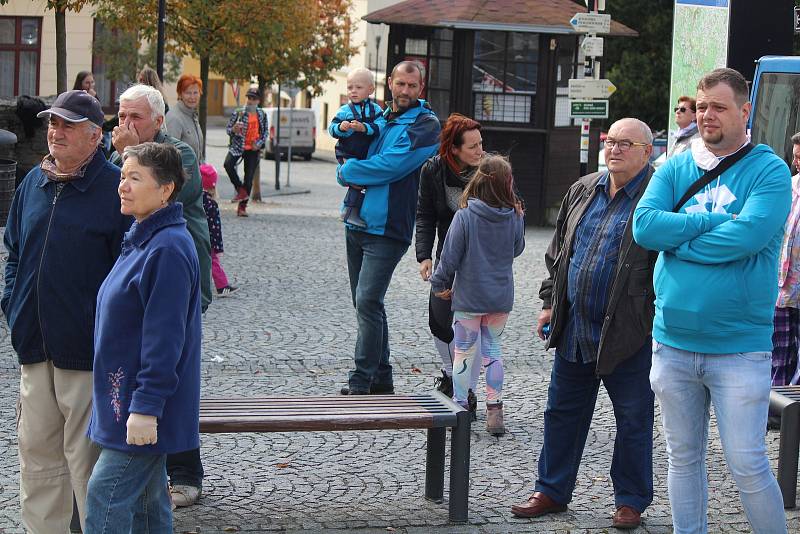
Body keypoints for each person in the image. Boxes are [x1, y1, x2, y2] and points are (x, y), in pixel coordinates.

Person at [633, 68, 790, 534]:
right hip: (672, 342)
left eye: (718, 106)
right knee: (682, 460)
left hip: (739, 347)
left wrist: (676, 238)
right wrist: (704, 227)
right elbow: (644, 226)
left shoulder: (769, 170)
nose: (706, 115)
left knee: (747, 464)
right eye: (702, 106)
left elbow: (749, 236)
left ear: (744, 112)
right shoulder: (678, 164)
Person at [511, 118, 657, 530]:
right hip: (575, 326)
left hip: (628, 331)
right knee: (562, 412)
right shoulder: (584, 188)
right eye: (611, 141)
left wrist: (650, 318)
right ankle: (552, 490)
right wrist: (548, 303)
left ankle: (630, 500)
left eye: (626, 144)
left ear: (648, 152)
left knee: (632, 417)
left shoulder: (657, 195)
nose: (615, 149)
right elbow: (558, 252)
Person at [1, 90, 131, 532]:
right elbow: (14, 254)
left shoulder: (115, 191)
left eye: (68, 125)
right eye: (53, 124)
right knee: (37, 461)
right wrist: (12, 306)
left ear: (96, 136)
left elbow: (129, 274)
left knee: (87, 467)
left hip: (87, 356)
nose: (55, 132)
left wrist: (108, 334)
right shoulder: (30, 185)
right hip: (34, 349)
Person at [85, 142, 201, 533]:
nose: (123, 186)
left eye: (135, 178)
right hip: (127, 401)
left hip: (143, 407)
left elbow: (165, 339)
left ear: (166, 188)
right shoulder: (143, 236)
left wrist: (147, 407)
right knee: (150, 506)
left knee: (106, 494)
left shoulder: (166, 248)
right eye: (122, 176)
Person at [110, 83, 211, 507]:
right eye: (121, 117)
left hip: (179, 271)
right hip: (136, 269)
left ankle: (186, 471)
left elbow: (185, 190)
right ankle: (143, 469)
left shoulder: (175, 153)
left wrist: (127, 155)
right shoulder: (121, 157)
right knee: (138, 365)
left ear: (158, 120)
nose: (126, 125)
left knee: (174, 364)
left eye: (135, 117)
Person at [337, 60, 441, 395]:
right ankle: (381, 378)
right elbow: (349, 138)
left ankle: (360, 379)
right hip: (357, 222)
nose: (406, 91)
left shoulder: (426, 124)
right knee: (366, 302)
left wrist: (348, 172)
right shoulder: (380, 116)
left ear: (421, 89)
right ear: (389, 84)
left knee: (368, 300)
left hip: (389, 228)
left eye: (412, 86)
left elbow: (391, 166)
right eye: (400, 84)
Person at [429, 155, 524, 435]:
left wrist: (439, 284)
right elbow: (517, 249)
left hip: (469, 297)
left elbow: (450, 256)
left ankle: (461, 408)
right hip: (499, 298)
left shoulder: (466, 215)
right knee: (493, 353)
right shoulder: (515, 215)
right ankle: (494, 412)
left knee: (464, 354)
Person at [415, 113, 484, 406]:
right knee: (439, 319)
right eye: (473, 147)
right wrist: (424, 255)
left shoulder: (490, 170)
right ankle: (449, 374)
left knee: (472, 326)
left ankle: (467, 388)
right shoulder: (433, 170)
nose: (480, 151)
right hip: (447, 254)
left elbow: (513, 207)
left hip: (482, 260)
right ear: (454, 149)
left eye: (481, 144)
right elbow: (425, 214)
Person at [328, 68, 385, 227]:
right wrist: (341, 128)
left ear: (371, 90)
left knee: (362, 182)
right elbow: (331, 129)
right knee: (356, 180)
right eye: (350, 87)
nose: (353, 91)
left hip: (365, 154)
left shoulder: (376, 110)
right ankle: (348, 210)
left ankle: (353, 210)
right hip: (348, 152)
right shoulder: (344, 110)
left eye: (358, 87)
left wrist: (365, 128)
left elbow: (381, 126)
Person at [772, 132, 800, 386]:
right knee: (779, 346)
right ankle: (776, 401)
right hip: (782, 282)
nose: (797, 162)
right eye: (796, 157)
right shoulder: (789, 186)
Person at [225, 87, 268, 217]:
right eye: (249, 98)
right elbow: (228, 129)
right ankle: (240, 190)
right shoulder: (239, 112)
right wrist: (234, 129)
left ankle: (242, 207)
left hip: (253, 149)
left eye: (253, 98)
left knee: (248, 178)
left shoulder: (261, 114)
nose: (250, 101)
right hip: (238, 146)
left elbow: (265, 132)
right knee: (228, 164)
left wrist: (259, 143)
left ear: (258, 101)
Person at [200, 163, 239, 297]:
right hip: (209, 239)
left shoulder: (194, 200)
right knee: (214, 262)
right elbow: (215, 227)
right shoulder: (211, 204)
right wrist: (218, 246)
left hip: (196, 236)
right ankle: (222, 286)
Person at [166, 74, 204, 162]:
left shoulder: (192, 114)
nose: (192, 97)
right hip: (181, 174)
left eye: (195, 92)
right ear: (180, 94)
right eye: (188, 93)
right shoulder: (174, 118)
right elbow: (169, 155)